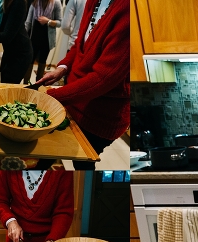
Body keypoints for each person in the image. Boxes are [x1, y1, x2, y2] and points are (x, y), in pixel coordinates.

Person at [36, 0, 129, 170]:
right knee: (46, 155)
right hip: (74, 103)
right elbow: (81, 42)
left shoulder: (128, 10)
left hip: (99, 116)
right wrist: (62, 68)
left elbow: (103, 78)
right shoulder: (93, 2)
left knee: (82, 166)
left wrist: (51, 97)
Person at [0, 170, 73, 242]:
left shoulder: (62, 169)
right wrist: (11, 221)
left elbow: (63, 212)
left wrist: (52, 241)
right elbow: (0, 200)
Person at [24, 0, 63, 82]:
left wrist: (48, 21)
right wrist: (23, 38)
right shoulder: (34, 3)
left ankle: (39, 83)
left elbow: (60, 23)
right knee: (29, 60)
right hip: (33, 37)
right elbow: (28, 22)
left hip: (47, 39)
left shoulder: (56, 3)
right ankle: (25, 84)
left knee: (42, 60)